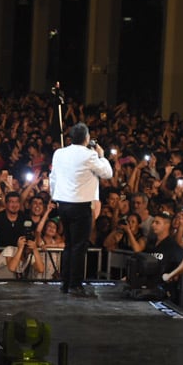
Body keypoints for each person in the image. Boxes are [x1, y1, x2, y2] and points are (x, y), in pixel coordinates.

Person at [49, 122, 113, 298]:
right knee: (79, 246)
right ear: (86, 138)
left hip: (63, 204)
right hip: (80, 206)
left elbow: (52, 177)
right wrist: (102, 155)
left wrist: (55, 197)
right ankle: (75, 285)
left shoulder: (59, 153)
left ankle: (65, 282)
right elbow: (108, 173)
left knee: (69, 245)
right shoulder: (90, 155)